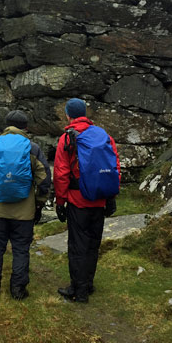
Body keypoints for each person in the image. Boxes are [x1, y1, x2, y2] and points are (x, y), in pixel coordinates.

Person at [0, 110, 51, 300]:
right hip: (24, 213)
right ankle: (18, 290)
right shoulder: (33, 148)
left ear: (7, 125)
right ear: (25, 127)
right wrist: (39, 203)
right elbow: (45, 180)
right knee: (21, 250)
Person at [53, 98, 121, 303]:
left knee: (77, 245)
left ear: (68, 115)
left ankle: (78, 290)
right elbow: (115, 167)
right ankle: (88, 284)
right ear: (85, 113)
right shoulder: (103, 136)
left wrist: (60, 201)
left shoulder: (67, 139)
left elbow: (61, 173)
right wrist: (110, 197)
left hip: (78, 201)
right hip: (99, 200)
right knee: (92, 245)